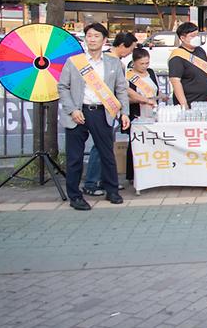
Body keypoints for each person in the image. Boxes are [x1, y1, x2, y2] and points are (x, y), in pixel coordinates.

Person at [57, 23, 130, 211]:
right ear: (85, 39)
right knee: (75, 157)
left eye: (96, 36)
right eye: (89, 36)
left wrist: (124, 113)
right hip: (78, 113)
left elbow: (121, 89)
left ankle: (112, 190)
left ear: (104, 40)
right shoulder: (75, 61)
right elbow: (63, 87)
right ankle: (75, 196)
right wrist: (72, 109)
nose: (92, 39)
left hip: (102, 112)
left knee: (107, 153)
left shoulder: (113, 63)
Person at [82, 31, 137, 196]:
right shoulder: (111, 61)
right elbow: (122, 88)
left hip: (109, 109)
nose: (130, 53)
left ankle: (106, 180)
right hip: (102, 108)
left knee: (104, 147)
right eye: (131, 49)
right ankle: (92, 182)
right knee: (100, 147)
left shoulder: (112, 60)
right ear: (122, 46)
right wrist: (142, 99)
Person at [124, 47, 161, 183]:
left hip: (152, 112)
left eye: (147, 63)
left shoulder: (150, 73)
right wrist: (142, 99)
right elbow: (125, 97)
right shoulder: (128, 75)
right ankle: (132, 175)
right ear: (134, 62)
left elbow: (156, 91)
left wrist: (160, 97)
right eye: (142, 64)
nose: (145, 66)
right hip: (136, 112)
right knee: (135, 143)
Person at [168, 22, 207, 108]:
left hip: (204, 101)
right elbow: (176, 82)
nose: (196, 38)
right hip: (189, 101)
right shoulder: (177, 56)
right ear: (182, 38)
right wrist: (184, 105)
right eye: (192, 36)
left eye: (197, 35)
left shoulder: (200, 50)